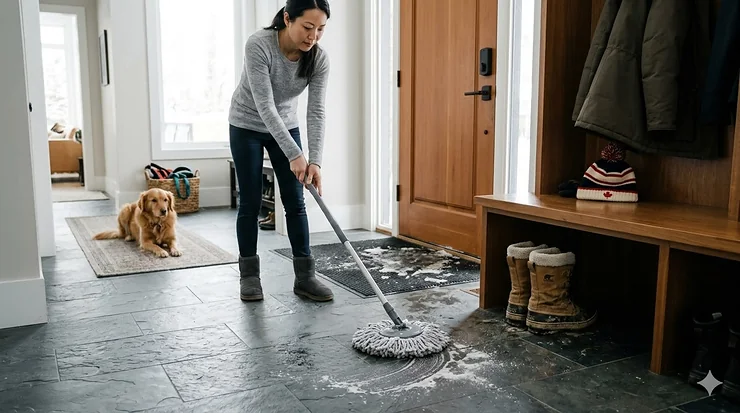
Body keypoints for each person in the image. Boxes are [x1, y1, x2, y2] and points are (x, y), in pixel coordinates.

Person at [228, 0, 333, 303]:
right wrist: (294, 154)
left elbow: (316, 112)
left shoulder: (319, 59)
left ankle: (305, 278)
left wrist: (314, 161)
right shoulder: (258, 45)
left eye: (321, 29)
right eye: (308, 27)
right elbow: (265, 106)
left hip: (286, 125)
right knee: (249, 202)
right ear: (288, 18)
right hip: (246, 124)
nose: (313, 36)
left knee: (296, 201)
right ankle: (249, 276)